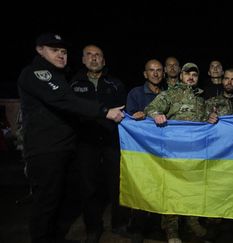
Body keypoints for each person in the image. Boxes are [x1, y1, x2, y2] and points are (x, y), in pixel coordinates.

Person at [17, 33, 124, 243]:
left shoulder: (60, 76)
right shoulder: (37, 74)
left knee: (59, 200)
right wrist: (104, 111)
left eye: (64, 51)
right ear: (39, 50)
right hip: (46, 149)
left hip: (64, 148)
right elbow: (64, 99)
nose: (61, 55)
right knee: (46, 203)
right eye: (54, 50)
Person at [145, 62, 218, 243]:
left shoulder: (202, 99)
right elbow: (150, 109)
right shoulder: (170, 93)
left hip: (196, 153)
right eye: (187, 73)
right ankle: (172, 230)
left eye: (194, 74)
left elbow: (207, 120)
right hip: (173, 152)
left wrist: (211, 118)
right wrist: (156, 115)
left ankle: (192, 222)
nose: (191, 77)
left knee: (193, 189)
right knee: (172, 191)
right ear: (181, 76)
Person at [69, 44, 128, 242]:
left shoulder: (116, 84)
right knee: (88, 186)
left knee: (117, 184)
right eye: (89, 55)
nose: (94, 58)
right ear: (83, 59)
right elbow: (71, 112)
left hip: (112, 141)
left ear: (104, 60)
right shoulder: (72, 84)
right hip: (86, 142)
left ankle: (119, 224)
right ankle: (93, 228)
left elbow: (123, 112)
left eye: (98, 55)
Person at [125, 59, 165, 243]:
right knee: (141, 187)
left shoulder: (168, 93)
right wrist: (135, 117)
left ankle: (156, 226)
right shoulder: (135, 93)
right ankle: (138, 227)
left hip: (162, 151)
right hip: (141, 151)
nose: (155, 73)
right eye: (151, 70)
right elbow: (128, 119)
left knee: (159, 187)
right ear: (145, 74)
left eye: (158, 70)